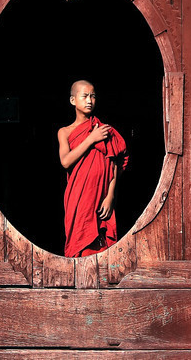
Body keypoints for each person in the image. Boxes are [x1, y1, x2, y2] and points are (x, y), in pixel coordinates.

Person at [58, 80, 128, 258]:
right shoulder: (64, 132)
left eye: (93, 96)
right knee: (79, 241)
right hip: (78, 197)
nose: (89, 100)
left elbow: (114, 164)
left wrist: (110, 196)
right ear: (73, 100)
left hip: (101, 196)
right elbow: (65, 162)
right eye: (85, 96)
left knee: (101, 245)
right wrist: (91, 139)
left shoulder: (103, 130)